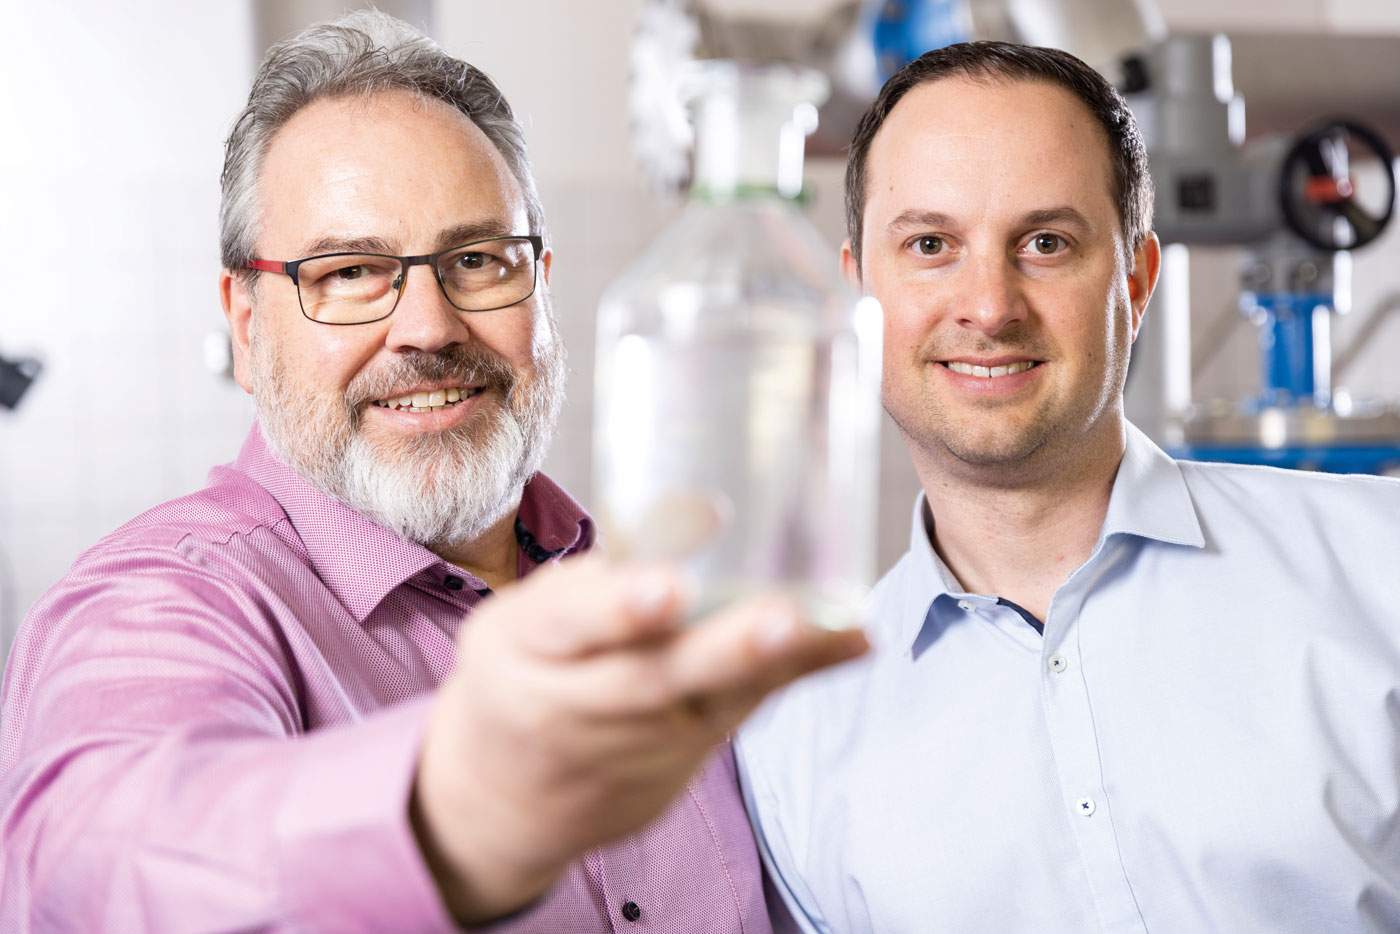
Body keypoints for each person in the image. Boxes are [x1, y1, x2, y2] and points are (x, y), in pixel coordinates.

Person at [0, 12, 868, 931]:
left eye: (477, 260)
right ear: (247, 326)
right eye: (349, 273)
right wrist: (457, 809)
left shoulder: (652, 593)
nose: (428, 326)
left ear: (542, 286)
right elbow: (95, 862)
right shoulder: (166, 599)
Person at [736, 39, 1400, 934]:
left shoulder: (1380, 571)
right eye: (930, 245)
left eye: (1046, 242)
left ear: (1136, 276)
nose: (990, 305)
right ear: (861, 298)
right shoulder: (795, 739)